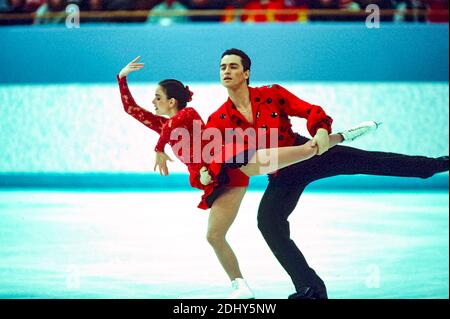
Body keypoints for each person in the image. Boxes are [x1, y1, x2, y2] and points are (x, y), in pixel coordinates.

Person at [117, 56, 379, 298]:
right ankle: (240, 285)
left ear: (172, 101)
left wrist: (158, 147)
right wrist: (122, 78)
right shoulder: (164, 125)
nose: (152, 102)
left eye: (157, 97)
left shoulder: (187, 115)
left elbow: (173, 126)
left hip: (229, 157)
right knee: (214, 235)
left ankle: (343, 136)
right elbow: (132, 110)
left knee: (306, 150)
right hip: (218, 177)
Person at [205, 48, 449, 299]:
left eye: (233, 66)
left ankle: (435, 165)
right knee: (269, 223)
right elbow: (215, 155)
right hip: (282, 174)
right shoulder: (219, 119)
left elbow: (310, 110)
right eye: (223, 67)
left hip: (314, 154)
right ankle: (311, 288)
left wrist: (321, 130)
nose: (227, 71)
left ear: (246, 73)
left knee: (370, 160)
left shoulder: (271, 93)